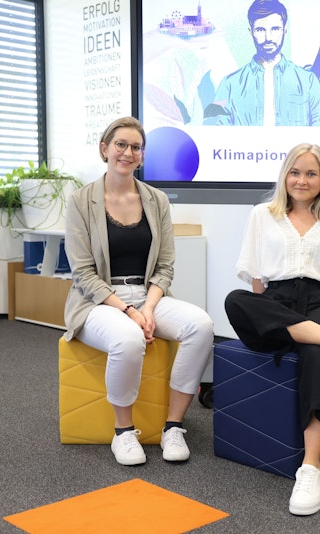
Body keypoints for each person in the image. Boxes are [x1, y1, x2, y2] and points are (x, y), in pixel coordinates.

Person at [224, 142, 320, 516]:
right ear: (284, 176)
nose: (301, 180)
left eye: (310, 173)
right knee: (236, 300)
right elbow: (257, 281)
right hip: (276, 301)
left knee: (315, 353)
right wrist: (270, 318)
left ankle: (310, 468)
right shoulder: (262, 215)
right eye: (294, 172)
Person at [63, 117, 214, 466]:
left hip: (148, 296)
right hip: (97, 302)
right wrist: (129, 312)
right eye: (121, 145)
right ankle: (123, 432)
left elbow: (165, 266)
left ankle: (173, 426)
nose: (128, 153)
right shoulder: (80, 201)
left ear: (142, 155)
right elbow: (83, 273)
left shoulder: (157, 200)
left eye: (136, 147)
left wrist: (147, 308)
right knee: (128, 339)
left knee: (201, 326)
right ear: (104, 149)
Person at [204, 0, 320, 126]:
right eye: (260, 30)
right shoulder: (229, 85)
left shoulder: (308, 81)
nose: (268, 37)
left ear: (284, 30)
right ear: (251, 32)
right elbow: (215, 132)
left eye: (275, 29)